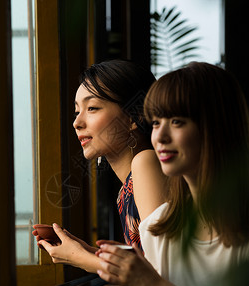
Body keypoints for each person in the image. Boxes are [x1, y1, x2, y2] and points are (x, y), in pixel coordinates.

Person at [96, 62, 249, 286]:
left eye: (177, 121)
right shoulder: (157, 229)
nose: (160, 137)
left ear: (216, 126)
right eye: (156, 122)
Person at [32, 59, 168, 273]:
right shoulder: (125, 190)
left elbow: (159, 272)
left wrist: (80, 258)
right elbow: (146, 264)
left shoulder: (146, 163)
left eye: (92, 108)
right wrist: (85, 251)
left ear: (134, 116)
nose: (77, 122)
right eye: (77, 111)